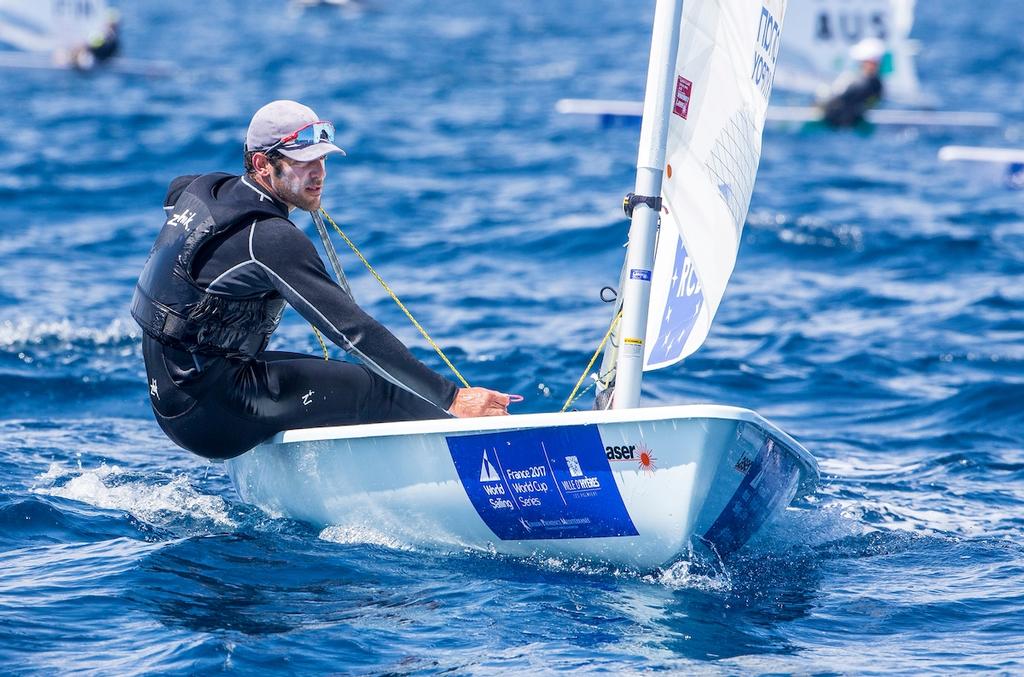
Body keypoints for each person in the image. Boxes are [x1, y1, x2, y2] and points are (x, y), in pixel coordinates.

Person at [132, 100, 511, 460]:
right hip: (212, 415)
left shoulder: (202, 190)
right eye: (303, 163)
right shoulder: (269, 238)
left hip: (174, 394)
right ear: (263, 164)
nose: (319, 174)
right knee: (374, 388)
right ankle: (485, 450)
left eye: (322, 160)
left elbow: (175, 193)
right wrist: (451, 398)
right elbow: (353, 333)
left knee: (340, 377)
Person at [819, 37, 885, 129]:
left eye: (874, 63)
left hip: (849, 125)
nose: (873, 66)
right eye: (870, 62)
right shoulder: (854, 80)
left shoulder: (874, 84)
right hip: (839, 124)